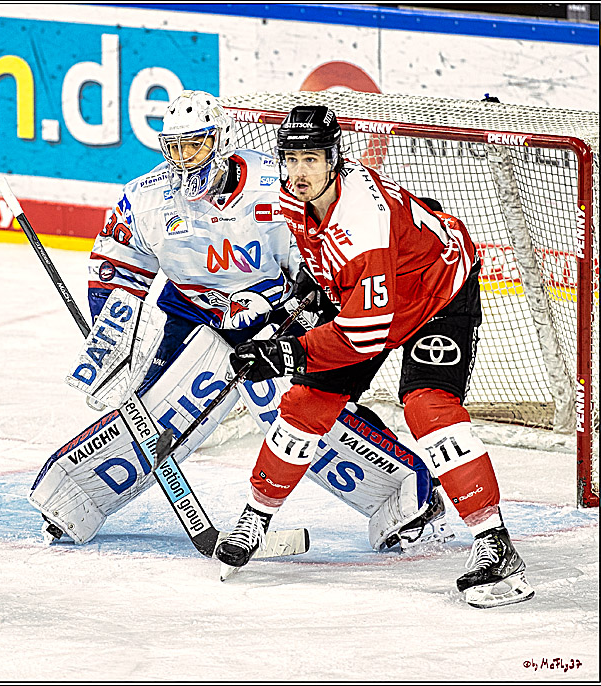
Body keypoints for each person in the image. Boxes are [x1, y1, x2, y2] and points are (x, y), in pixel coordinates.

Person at [30, 91, 447, 555]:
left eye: (196, 145)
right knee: (154, 412)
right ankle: (75, 493)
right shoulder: (145, 199)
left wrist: (307, 316)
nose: (184, 159)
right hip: (191, 310)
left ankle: (407, 497)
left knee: (296, 411)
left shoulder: (279, 186)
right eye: (174, 148)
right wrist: (113, 336)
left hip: (274, 313)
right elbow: (116, 265)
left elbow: (322, 263)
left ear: (221, 139)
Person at [223, 105, 534, 608]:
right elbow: (319, 258)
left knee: (428, 409)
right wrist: (304, 298)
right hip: (374, 292)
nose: (299, 172)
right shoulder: (294, 193)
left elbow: (362, 338)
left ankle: (495, 546)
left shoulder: (363, 227)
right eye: (292, 158)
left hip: (436, 295)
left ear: (334, 160)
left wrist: (286, 351)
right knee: (306, 404)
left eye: (311, 159)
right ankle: (254, 519)